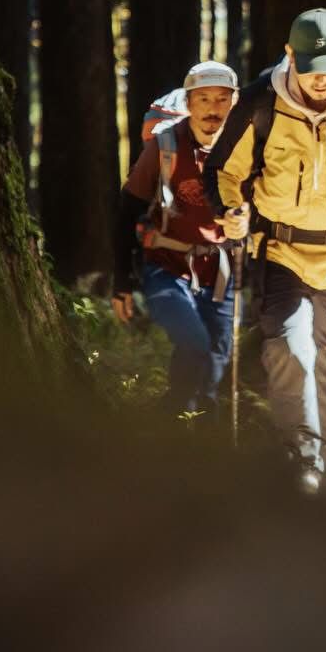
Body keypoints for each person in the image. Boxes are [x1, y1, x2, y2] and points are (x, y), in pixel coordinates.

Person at [204, 9, 326, 493]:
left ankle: (323, 465)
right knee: (289, 350)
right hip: (283, 249)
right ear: (290, 55)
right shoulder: (262, 99)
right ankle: (302, 459)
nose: (321, 79)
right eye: (310, 66)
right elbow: (223, 170)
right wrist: (232, 210)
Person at [112, 61, 243, 420]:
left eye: (222, 99)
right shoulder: (164, 147)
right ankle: (173, 417)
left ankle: (203, 425)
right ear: (189, 103)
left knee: (218, 351)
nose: (213, 108)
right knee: (195, 342)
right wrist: (121, 282)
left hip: (220, 268)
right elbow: (128, 210)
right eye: (203, 99)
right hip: (166, 268)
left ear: (235, 104)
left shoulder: (246, 148)